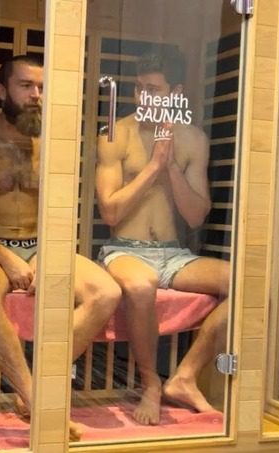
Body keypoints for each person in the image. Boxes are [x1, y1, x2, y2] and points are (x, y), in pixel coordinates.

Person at [0, 55, 122, 440]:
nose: (36, 95)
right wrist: (6, 257)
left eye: (42, 88)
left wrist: (48, 257)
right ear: (2, 91)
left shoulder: (53, 147)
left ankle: (36, 387)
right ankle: (35, 399)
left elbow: (61, 212)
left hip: (41, 246)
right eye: (26, 86)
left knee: (106, 292)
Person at [95, 49, 229, 425]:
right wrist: (152, 166)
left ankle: (185, 376)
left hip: (174, 253)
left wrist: (169, 167)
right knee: (141, 286)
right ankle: (151, 383)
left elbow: (196, 216)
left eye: (153, 89)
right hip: (124, 249)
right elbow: (111, 213)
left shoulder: (194, 140)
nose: (143, 98)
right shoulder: (114, 134)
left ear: (177, 93)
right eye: (138, 89)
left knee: (246, 284)